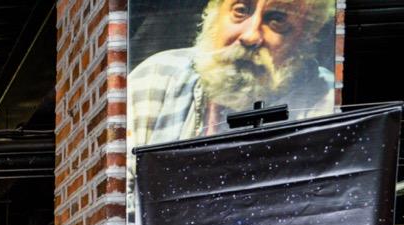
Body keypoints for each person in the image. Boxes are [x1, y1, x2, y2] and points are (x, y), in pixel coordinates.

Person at [129, 0, 334, 149]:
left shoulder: (328, 104)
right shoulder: (155, 79)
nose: (250, 36)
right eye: (241, 10)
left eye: (277, 19)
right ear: (215, 15)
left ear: (308, 36)